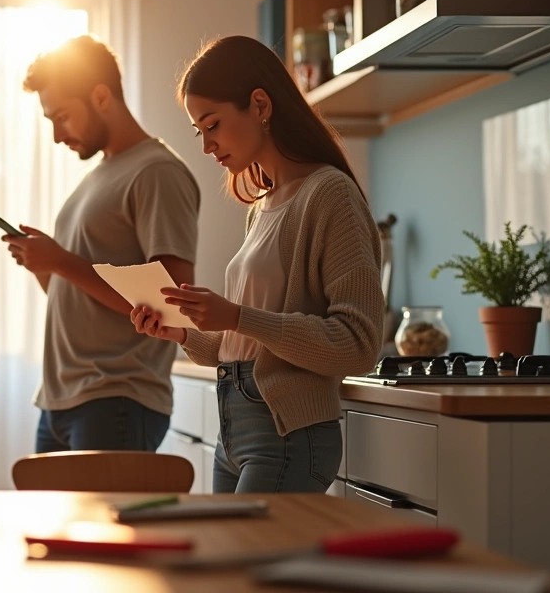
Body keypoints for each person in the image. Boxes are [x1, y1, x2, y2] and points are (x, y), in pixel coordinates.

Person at [130, 35, 383, 494]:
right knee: (229, 562)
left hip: (286, 434)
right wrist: (183, 332)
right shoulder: (262, 207)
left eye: (213, 125)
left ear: (260, 105)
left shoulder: (330, 196)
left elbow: (358, 344)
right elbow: (244, 345)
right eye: (198, 131)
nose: (207, 146)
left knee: (245, 562)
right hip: (236, 429)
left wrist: (237, 316)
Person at [6, 35, 200, 453]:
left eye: (62, 116)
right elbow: (83, 293)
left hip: (116, 400)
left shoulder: (157, 173)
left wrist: (60, 260)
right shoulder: (97, 177)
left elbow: (171, 304)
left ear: (100, 96)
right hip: (61, 401)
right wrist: (46, 266)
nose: (57, 135)